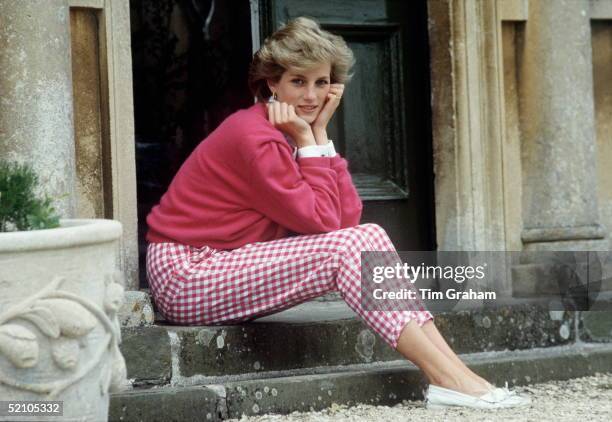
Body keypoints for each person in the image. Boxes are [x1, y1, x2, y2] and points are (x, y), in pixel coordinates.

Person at [145, 16, 530, 409]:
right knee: (352, 246)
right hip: (187, 274)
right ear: (271, 84)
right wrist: (307, 137)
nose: (311, 96)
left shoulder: (293, 130)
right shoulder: (254, 137)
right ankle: (447, 378)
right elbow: (326, 224)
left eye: (322, 82)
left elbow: (347, 219)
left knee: (367, 237)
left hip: (224, 264)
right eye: (298, 81)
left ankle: (457, 374)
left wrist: (320, 134)